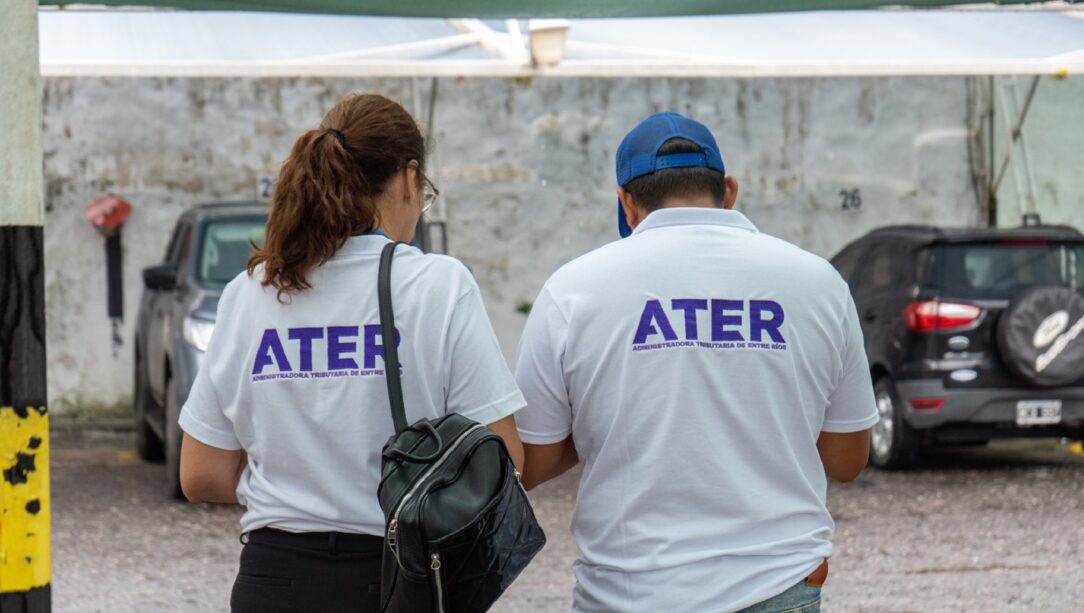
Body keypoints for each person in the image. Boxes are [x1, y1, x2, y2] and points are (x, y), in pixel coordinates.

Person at [514, 111, 878, 613]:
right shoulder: (818, 283)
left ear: (626, 201)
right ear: (729, 190)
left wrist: (610, 416)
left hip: (626, 595)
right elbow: (847, 460)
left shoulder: (573, 289)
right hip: (777, 587)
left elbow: (530, 461)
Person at [177, 93, 527, 613]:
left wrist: (298, 481)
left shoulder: (250, 292)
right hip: (398, 577)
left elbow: (200, 473)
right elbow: (505, 459)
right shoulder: (438, 284)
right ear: (408, 180)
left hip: (274, 581)